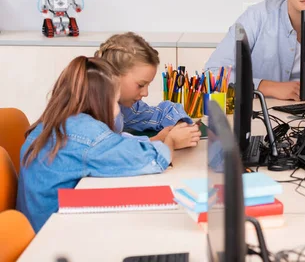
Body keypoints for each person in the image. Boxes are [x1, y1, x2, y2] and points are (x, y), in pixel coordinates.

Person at [17, 56, 190, 232]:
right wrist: (171, 142)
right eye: (116, 101)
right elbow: (153, 160)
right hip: (53, 233)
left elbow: (113, 142)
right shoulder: (89, 134)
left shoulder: (53, 122)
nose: (118, 110)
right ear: (100, 102)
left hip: (38, 226)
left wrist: (153, 140)